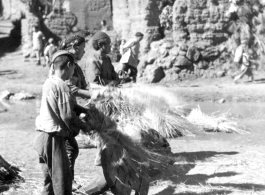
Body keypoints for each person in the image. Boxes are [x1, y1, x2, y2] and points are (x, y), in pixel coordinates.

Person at [33, 50, 92, 195]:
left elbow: (64, 107)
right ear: (69, 65)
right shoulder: (62, 86)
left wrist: (82, 109)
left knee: (50, 183)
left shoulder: (50, 82)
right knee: (62, 183)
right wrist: (86, 127)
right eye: (74, 67)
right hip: (52, 139)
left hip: (42, 137)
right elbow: (67, 116)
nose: (74, 71)